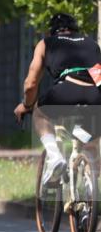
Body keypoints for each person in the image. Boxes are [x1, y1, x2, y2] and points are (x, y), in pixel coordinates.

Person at [13, 12, 101, 186]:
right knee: (89, 139)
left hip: (66, 90)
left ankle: (54, 158)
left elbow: (31, 84)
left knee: (40, 112)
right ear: (75, 29)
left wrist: (26, 105)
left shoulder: (45, 43)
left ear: (51, 31)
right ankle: (89, 199)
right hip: (96, 96)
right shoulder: (92, 43)